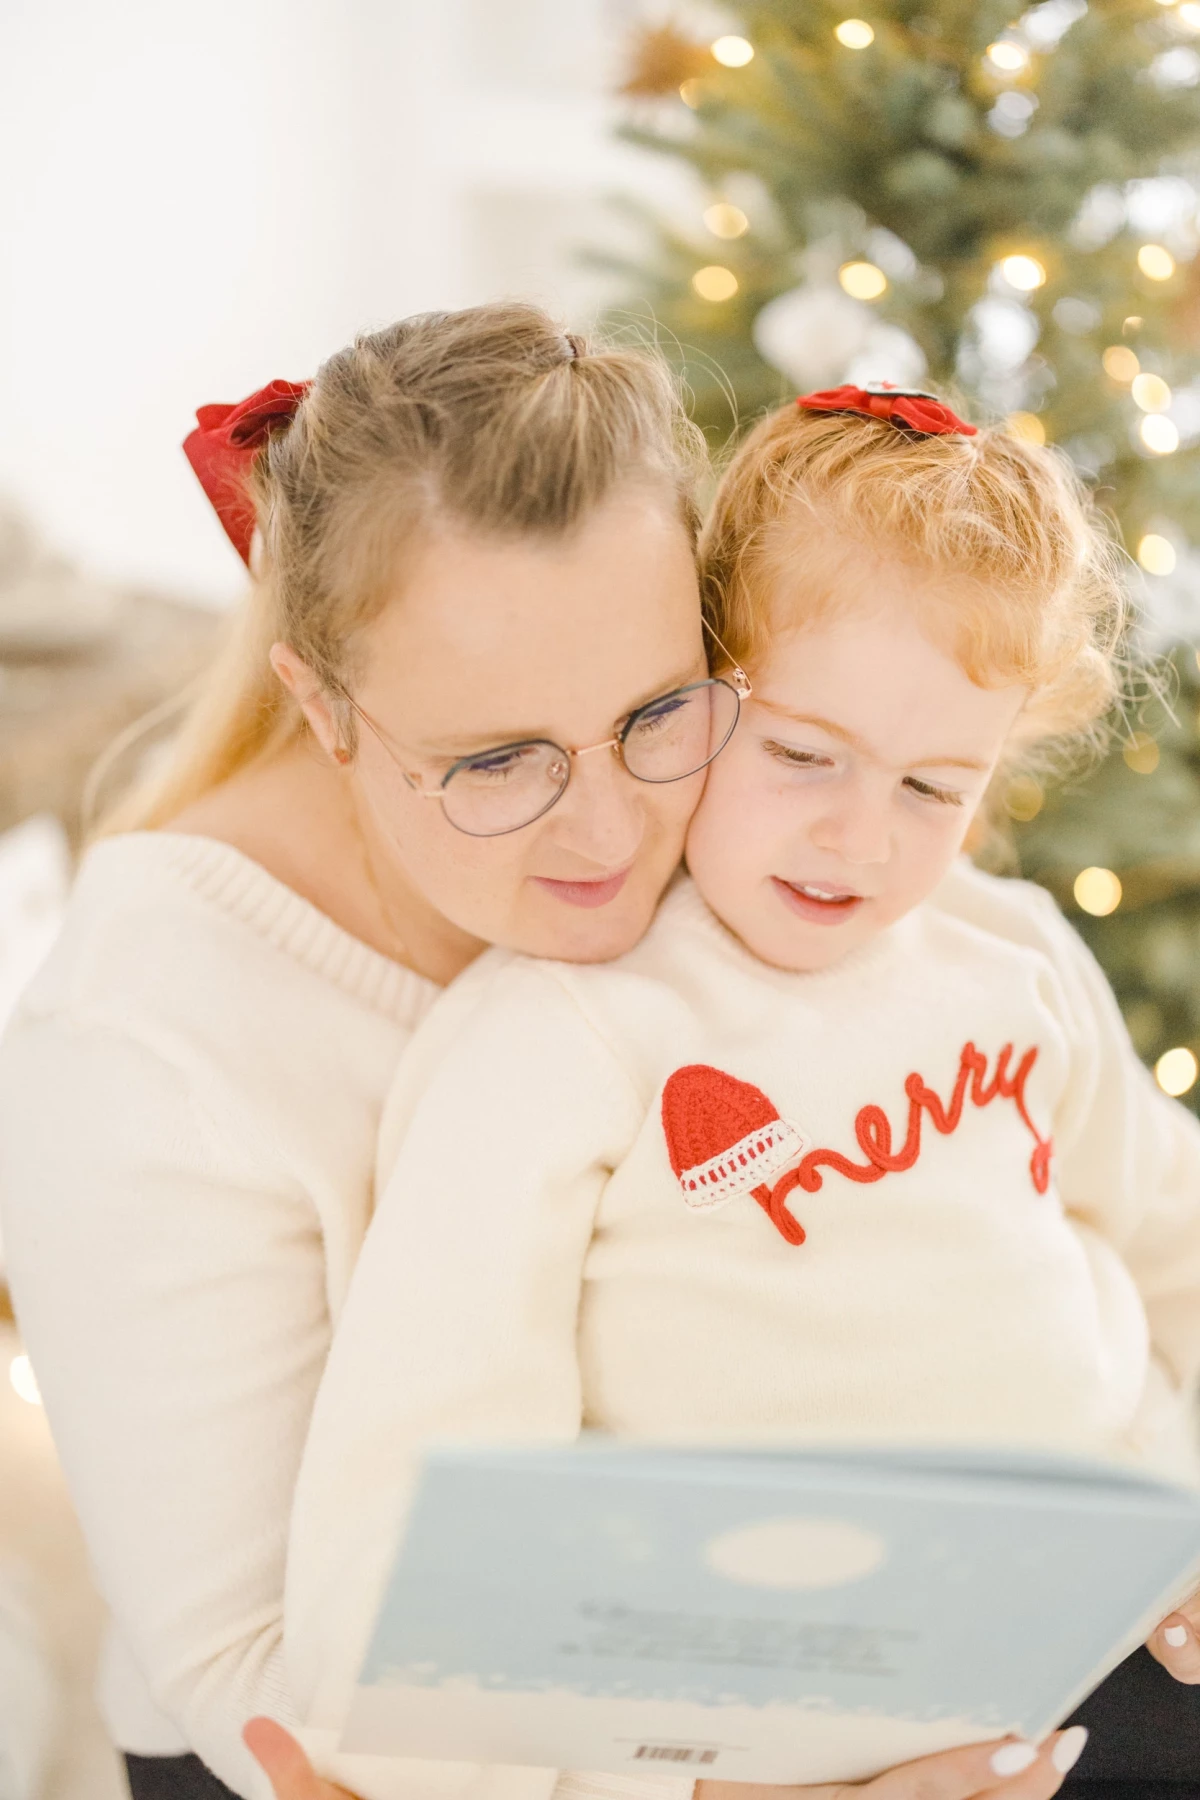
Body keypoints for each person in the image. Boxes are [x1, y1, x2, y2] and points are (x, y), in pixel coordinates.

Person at [277, 389, 1200, 1800]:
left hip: (1105, 1611)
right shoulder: (567, 1034)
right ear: (697, 693)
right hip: (764, 1723)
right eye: (800, 754)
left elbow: (1166, 1228)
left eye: (933, 786)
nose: (859, 836)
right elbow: (423, 1459)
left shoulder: (1008, 950)